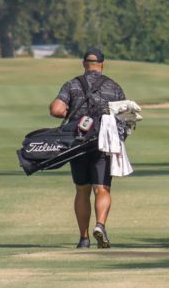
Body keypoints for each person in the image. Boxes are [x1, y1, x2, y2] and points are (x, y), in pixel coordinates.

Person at [50, 49, 127, 249]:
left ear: (84, 64)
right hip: (103, 143)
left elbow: (56, 110)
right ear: (102, 64)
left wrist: (70, 113)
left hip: (78, 143)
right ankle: (100, 225)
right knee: (102, 188)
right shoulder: (114, 86)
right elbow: (125, 116)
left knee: (82, 190)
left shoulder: (72, 85)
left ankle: (84, 239)